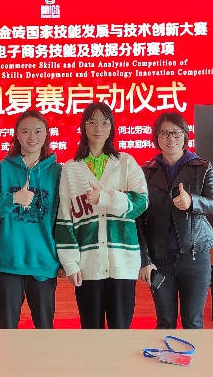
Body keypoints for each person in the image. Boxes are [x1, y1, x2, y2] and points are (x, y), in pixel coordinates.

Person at [55, 102, 148, 329]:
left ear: (111, 128)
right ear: (83, 127)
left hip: (123, 261)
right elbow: (64, 218)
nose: (98, 128)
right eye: (92, 122)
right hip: (88, 263)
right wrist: (70, 263)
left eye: (105, 123)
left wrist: (105, 198)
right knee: (91, 330)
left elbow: (142, 203)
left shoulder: (126, 162)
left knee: (120, 329)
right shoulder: (70, 169)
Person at [137, 112, 213, 329]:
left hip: (196, 258)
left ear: (185, 135)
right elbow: (139, 222)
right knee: (165, 320)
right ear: (156, 137)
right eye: (164, 133)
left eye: (176, 132)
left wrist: (192, 201)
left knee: (193, 321)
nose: (170, 138)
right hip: (160, 261)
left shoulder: (203, 168)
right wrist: (145, 260)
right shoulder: (146, 173)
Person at [0, 110, 62, 329]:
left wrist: (65, 260)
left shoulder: (58, 172)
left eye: (38, 131)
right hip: (9, 261)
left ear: (46, 134)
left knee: (44, 329)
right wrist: (12, 199)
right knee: (7, 330)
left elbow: (64, 220)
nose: (32, 137)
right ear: (16, 135)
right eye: (25, 131)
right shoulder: (3, 168)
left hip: (43, 262)